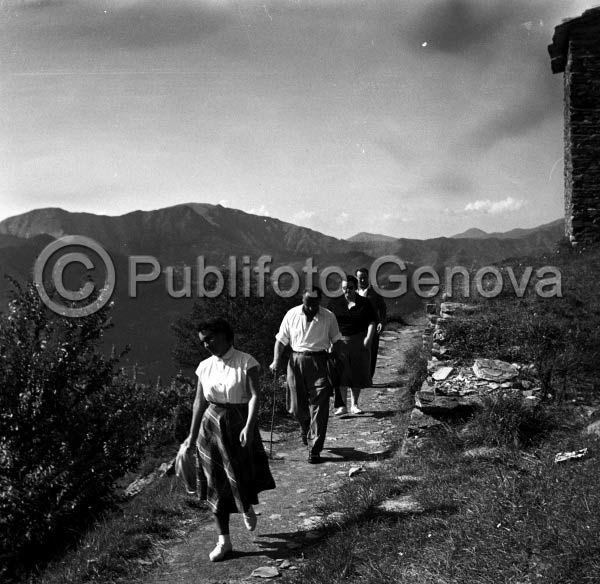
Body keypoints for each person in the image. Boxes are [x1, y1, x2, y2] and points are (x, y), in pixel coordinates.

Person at [186, 317, 275, 562]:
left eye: (210, 339)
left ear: (225, 335)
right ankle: (223, 540)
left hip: (238, 422)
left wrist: (249, 425)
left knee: (240, 474)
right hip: (211, 425)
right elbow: (199, 402)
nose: (206, 345)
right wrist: (191, 436)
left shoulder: (246, 362)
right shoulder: (204, 367)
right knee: (214, 481)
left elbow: (255, 396)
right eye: (203, 342)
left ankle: (245, 505)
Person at [270, 287, 341, 464]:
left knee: (320, 406)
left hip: (320, 362)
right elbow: (281, 340)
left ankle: (314, 449)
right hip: (296, 361)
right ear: (303, 299)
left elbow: (336, 340)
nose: (310, 307)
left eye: (314, 304)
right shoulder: (292, 314)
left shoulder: (328, 316)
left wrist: (335, 358)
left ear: (319, 301)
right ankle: (305, 426)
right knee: (295, 406)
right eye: (307, 303)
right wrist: (276, 361)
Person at [329, 275, 376, 415]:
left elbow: (372, 321)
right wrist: (329, 342)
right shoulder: (335, 303)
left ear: (355, 288)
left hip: (359, 340)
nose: (347, 291)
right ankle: (342, 405)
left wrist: (369, 338)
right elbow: (328, 324)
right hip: (339, 341)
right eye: (344, 288)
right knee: (341, 374)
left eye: (350, 288)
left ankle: (354, 404)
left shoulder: (365, 303)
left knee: (356, 372)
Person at [356, 267, 387, 381]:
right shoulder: (353, 292)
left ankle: (369, 377)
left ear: (368, 277)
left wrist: (382, 322)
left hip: (372, 326)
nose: (362, 280)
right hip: (356, 328)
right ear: (356, 278)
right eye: (360, 278)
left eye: (364, 278)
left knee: (371, 352)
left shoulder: (375, 292)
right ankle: (358, 377)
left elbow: (382, 307)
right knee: (357, 352)